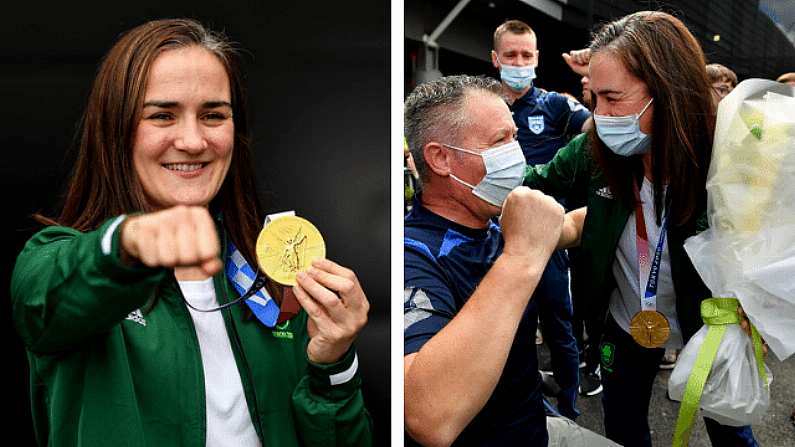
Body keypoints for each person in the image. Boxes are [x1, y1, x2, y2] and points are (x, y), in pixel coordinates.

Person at [11, 19, 372, 446]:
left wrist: (332, 363)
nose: (194, 140)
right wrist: (128, 243)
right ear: (114, 129)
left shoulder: (272, 273)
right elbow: (58, 289)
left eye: (213, 115)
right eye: (162, 115)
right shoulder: (58, 263)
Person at [524, 11, 758, 447]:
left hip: (706, 333)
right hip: (624, 325)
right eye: (596, 99)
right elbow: (533, 183)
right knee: (624, 426)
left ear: (667, 93)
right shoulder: (594, 150)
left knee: (731, 432)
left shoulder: (729, 160)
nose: (601, 114)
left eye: (613, 98)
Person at [403, 74, 617, 447]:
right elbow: (430, 416)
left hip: (535, 426)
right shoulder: (413, 255)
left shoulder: (495, 220)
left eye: (515, 138)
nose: (515, 155)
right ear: (440, 158)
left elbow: (570, 225)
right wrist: (520, 258)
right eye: (500, 141)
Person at [491, 19, 591, 419]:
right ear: (495, 58)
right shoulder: (482, 106)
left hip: (548, 238)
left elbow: (599, 130)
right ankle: (524, 404)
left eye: (526, 55)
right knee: (507, 328)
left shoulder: (555, 104)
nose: (519, 61)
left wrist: (595, 87)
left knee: (558, 325)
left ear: (536, 58)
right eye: (511, 54)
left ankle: (569, 406)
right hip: (493, 236)